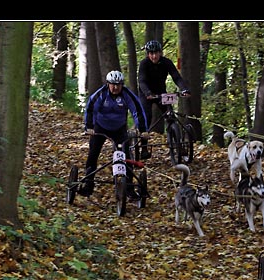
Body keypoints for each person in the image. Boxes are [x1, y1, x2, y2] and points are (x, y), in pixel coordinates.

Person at [80, 70, 147, 199]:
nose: (115, 87)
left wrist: (143, 129)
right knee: (93, 153)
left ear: (122, 85)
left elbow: (137, 110)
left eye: (118, 84)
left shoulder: (127, 95)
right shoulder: (101, 94)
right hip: (100, 128)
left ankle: (129, 187)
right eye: (113, 84)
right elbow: (91, 109)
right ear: (108, 84)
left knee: (126, 156)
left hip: (119, 129)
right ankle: (88, 184)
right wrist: (89, 127)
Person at [137, 39, 190, 133]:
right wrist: (148, 93)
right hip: (146, 94)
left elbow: (176, 77)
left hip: (161, 93)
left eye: (156, 53)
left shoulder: (166, 62)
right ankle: (143, 142)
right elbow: (142, 81)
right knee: (146, 117)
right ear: (148, 54)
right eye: (151, 53)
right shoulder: (144, 63)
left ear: (160, 53)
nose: (154, 56)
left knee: (170, 115)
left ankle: (173, 138)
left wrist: (184, 89)